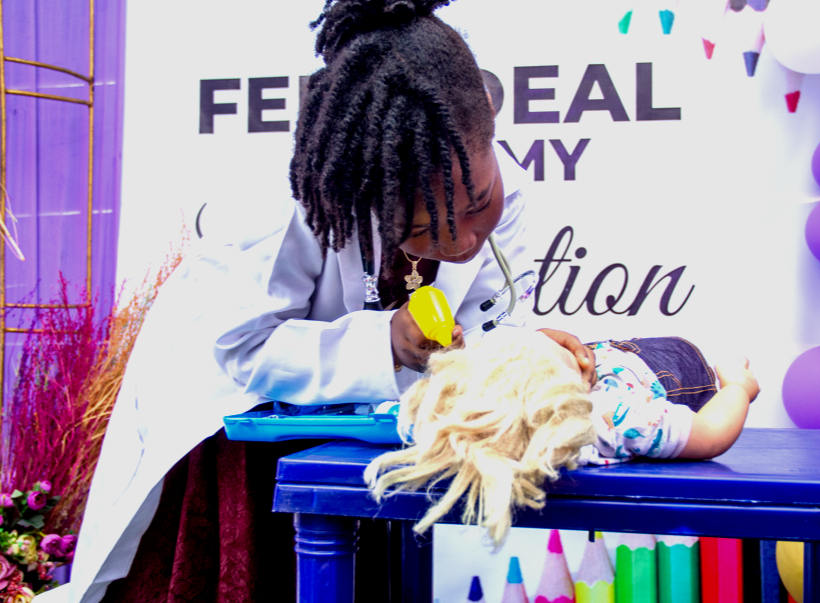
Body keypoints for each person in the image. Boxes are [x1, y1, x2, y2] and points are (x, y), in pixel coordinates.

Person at [36, 1, 595, 602]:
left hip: (356, 440)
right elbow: (243, 347)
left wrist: (521, 352)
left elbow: (484, 323)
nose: (462, 242)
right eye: (422, 228)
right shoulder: (290, 199)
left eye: (478, 204)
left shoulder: (503, 187)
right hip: (238, 426)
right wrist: (386, 342)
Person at [364, 328, 760, 549]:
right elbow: (711, 434)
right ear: (577, 390)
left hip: (614, 353)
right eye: (562, 354)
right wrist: (736, 388)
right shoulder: (617, 418)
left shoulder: (466, 410)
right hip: (677, 373)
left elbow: (415, 416)